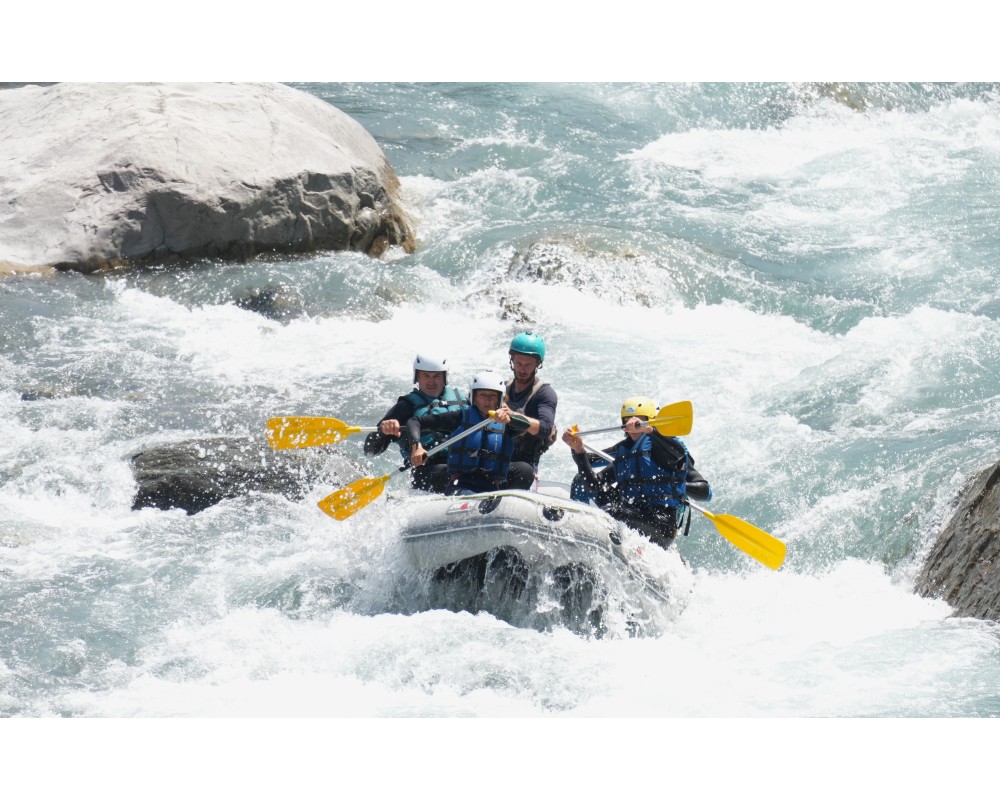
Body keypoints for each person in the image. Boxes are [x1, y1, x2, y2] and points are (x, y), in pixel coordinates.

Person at [561, 395, 711, 550]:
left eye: (639, 420)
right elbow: (593, 484)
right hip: (628, 511)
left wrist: (650, 431)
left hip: (660, 523)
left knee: (614, 511)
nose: (631, 424)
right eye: (627, 420)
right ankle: (576, 539)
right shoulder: (625, 452)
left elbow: (679, 454)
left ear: (651, 421)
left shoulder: (664, 448)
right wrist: (578, 449)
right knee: (581, 482)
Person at [408, 370, 533, 495]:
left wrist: (510, 419)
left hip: (492, 486)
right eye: (483, 395)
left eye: (492, 396)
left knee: (525, 470)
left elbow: (525, 425)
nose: (487, 400)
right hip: (461, 484)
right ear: (474, 397)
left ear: (499, 399)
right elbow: (415, 422)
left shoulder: (507, 423)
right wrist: (417, 446)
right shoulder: (460, 417)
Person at [363, 353, 468, 493]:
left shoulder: (461, 400)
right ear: (417, 377)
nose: (431, 382)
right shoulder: (406, 406)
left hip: (462, 464)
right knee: (452, 475)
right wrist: (383, 432)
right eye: (426, 376)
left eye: (436, 376)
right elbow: (370, 450)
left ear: (444, 377)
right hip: (427, 471)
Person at [502, 332, 558, 488]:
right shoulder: (500, 388)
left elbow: (546, 428)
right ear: (511, 360)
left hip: (523, 463)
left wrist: (513, 417)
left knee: (523, 470)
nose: (522, 369)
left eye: (528, 365)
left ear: (538, 364)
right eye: (519, 363)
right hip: (495, 457)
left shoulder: (545, 393)